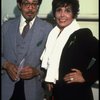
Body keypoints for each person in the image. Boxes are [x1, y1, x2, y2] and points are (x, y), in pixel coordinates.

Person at [40, 0, 99, 100]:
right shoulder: (53, 35)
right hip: (57, 94)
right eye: (59, 10)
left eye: (67, 11)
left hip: (77, 95)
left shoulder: (82, 35)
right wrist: (48, 80)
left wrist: (86, 76)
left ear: (74, 14)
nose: (62, 15)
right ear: (54, 14)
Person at [1, 0, 53, 100]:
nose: (30, 8)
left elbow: (52, 63)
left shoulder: (48, 29)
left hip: (33, 92)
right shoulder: (6, 27)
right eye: (26, 4)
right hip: (6, 90)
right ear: (19, 5)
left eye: (34, 4)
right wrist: (6, 65)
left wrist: (37, 71)